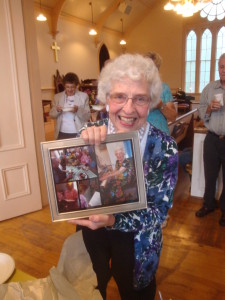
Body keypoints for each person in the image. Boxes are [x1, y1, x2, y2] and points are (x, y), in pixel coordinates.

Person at [68, 54, 178, 299]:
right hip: (94, 228)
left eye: (140, 99)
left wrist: (113, 221)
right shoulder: (93, 133)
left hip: (136, 240)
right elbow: (78, 179)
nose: (129, 108)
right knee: (94, 283)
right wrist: (83, 138)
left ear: (150, 103)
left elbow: (158, 212)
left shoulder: (164, 147)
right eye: (119, 96)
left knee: (135, 290)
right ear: (107, 99)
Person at [195, 53, 225, 227]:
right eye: (221, 66)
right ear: (218, 68)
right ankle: (209, 204)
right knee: (210, 175)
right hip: (212, 139)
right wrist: (208, 109)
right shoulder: (209, 88)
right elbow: (200, 111)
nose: (224, 70)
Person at [49, 72, 90, 140]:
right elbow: (51, 115)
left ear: (76, 86)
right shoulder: (57, 97)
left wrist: (78, 110)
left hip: (78, 132)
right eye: (67, 87)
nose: (70, 89)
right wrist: (57, 110)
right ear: (64, 85)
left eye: (72, 87)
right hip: (62, 132)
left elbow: (87, 116)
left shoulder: (83, 97)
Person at [145, 52, 177, 134]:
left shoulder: (164, 88)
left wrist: (160, 105)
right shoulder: (136, 87)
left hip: (160, 134)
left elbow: (173, 117)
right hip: (140, 133)